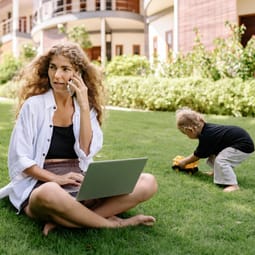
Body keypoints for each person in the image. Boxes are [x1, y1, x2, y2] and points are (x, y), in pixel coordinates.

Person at [0, 42, 158, 235]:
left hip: (79, 181)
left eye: (65, 69)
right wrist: (57, 179)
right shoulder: (33, 106)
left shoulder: (86, 108)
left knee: (148, 182)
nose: (57, 75)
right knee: (50, 192)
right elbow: (20, 159)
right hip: (42, 184)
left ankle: (69, 219)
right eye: (53, 67)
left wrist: (83, 106)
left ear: (79, 74)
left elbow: (85, 150)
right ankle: (112, 223)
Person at [175, 107, 254, 192]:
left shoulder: (207, 136)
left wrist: (184, 162)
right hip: (236, 141)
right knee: (212, 156)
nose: (187, 136)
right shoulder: (206, 130)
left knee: (221, 160)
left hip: (242, 145)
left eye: (185, 134)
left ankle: (233, 185)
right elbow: (206, 152)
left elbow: (198, 154)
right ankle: (216, 173)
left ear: (190, 130)